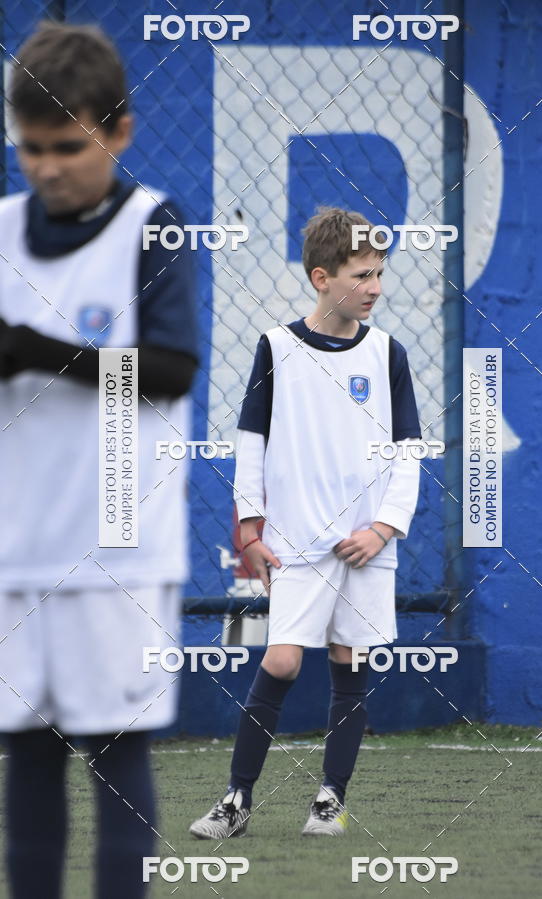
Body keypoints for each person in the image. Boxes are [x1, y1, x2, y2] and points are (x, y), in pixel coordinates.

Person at [0, 22, 198, 898]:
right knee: (29, 759)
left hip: (116, 549)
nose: (47, 167)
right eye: (30, 148)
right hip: (15, 548)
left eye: (68, 146)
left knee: (117, 761)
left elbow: (170, 371)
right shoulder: (2, 229)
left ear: (116, 130)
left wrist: (39, 351)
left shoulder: (152, 226)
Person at [189, 206, 421, 839]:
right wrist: (249, 529)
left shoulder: (387, 353)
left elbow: (408, 454)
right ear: (322, 277)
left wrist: (383, 529)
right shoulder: (277, 346)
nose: (375, 287)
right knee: (285, 661)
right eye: (362, 274)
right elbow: (250, 444)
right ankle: (236, 799)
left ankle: (330, 799)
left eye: (381, 273)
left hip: (366, 547)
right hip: (294, 541)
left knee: (350, 662)